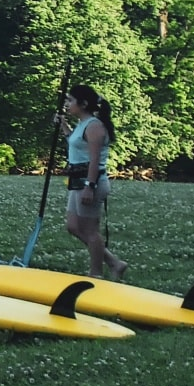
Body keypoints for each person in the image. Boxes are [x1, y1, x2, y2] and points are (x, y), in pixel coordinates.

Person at [61, 82, 125, 280]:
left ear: (83, 103)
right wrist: (63, 125)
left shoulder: (95, 126)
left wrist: (90, 186)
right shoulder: (82, 124)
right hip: (77, 181)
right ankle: (115, 262)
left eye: (71, 100)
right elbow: (76, 145)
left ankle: (96, 274)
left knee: (90, 230)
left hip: (91, 183)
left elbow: (94, 160)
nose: (67, 104)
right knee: (73, 226)